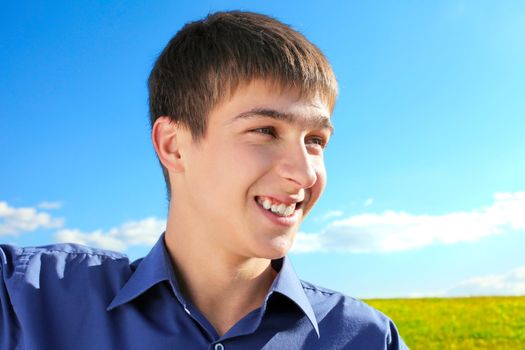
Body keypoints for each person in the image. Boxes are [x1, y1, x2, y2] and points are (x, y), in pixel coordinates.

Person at [0, 11, 408, 349]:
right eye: (265, 130)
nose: (304, 173)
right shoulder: (24, 299)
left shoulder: (368, 338)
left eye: (316, 140)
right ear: (174, 145)